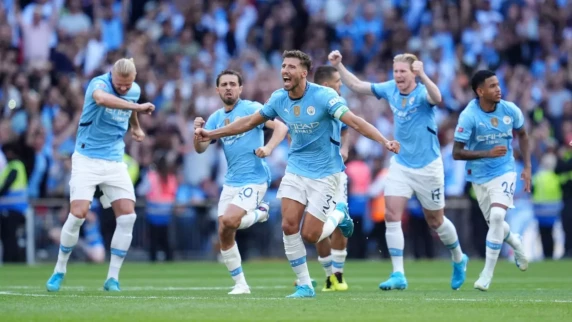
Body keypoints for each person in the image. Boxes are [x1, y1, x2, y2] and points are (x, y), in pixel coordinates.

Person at [195, 50, 400, 298]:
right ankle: (305, 284)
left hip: (326, 173)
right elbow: (249, 122)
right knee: (288, 226)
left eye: (291, 67)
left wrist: (384, 140)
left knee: (310, 235)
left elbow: (355, 122)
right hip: (296, 169)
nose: (285, 71)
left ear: (303, 73)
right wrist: (211, 134)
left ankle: (339, 215)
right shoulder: (279, 98)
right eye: (283, 66)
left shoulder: (324, 96)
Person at [328, 50, 468, 290]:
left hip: (428, 166)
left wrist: (423, 74)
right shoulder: (390, 88)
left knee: (436, 221)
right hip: (401, 164)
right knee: (392, 215)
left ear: (413, 72)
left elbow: (438, 97)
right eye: (396, 71)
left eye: (403, 71)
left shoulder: (423, 91)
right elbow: (358, 85)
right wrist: (339, 66)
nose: (399, 76)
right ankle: (398, 274)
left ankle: (458, 258)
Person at [46, 58, 155, 292]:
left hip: (114, 161)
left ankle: (112, 278)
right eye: (120, 84)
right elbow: (103, 100)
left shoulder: (133, 91)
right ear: (112, 76)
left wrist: (135, 125)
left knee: (128, 217)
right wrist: (136, 108)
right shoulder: (99, 85)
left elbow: (130, 103)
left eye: (128, 85)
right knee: (78, 214)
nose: (125, 88)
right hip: (86, 159)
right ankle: (59, 270)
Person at [194, 70, 288, 295]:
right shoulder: (216, 117)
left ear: (240, 88)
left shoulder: (251, 108)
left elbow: (282, 128)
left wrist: (268, 148)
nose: (228, 87)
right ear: (217, 90)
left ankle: (261, 212)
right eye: (224, 84)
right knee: (224, 232)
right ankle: (241, 285)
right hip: (231, 182)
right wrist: (197, 133)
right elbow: (200, 149)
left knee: (230, 220)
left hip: (255, 179)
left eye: (233, 84)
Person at [452, 70, 530, 291]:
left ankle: (486, 274)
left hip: (505, 170)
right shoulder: (469, 116)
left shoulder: (510, 109)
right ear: (480, 91)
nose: (499, 89)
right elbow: (456, 153)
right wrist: (486, 153)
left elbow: (523, 135)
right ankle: (515, 241)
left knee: (497, 216)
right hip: (478, 176)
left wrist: (528, 168)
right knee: (495, 224)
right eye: (493, 86)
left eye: (498, 84)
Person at [310, 65, 350, 291]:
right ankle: (328, 276)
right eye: (338, 82)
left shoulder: (338, 105)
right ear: (326, 85)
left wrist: (344, 148)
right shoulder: (304, 104)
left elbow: (346, 129)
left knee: (337, 227)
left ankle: (338, 274)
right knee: (317, 226)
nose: (340, 86)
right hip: (309, 175)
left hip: (335, 173)